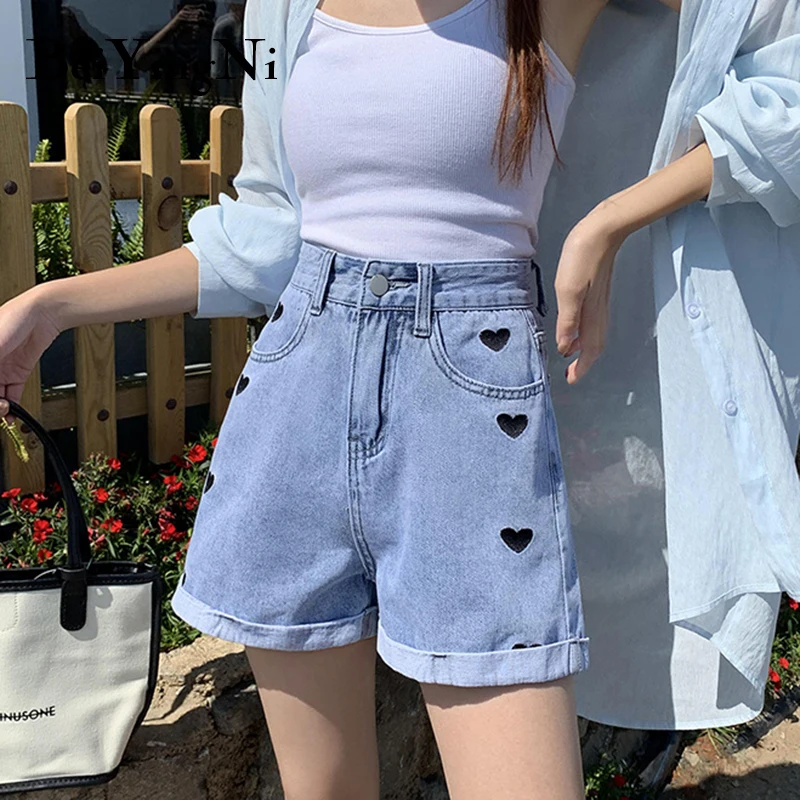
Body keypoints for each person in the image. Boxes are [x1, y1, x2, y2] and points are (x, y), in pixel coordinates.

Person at [1, 1, 793, 798]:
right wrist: (51, 305)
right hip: (296, 409)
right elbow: (264, 239)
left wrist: (610, 222)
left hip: (471, 421)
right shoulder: (285, 9)